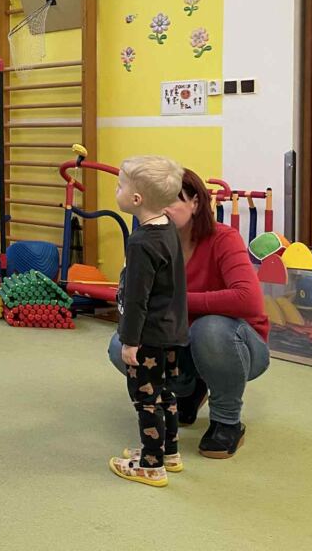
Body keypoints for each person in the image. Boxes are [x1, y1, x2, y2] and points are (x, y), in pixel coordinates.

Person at [109, 168, 268, 459]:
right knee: (121, 344)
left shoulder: (224, 238)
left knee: (210, 328)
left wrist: (173, 301)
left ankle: (227, 421)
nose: (162, 207)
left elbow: (249, 300)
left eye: (172, 199)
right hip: (179, 343)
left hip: (237, 346)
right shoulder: (147, 242)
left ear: (195, 203)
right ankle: (186, 392)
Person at [108, 155, 188, 488]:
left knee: (145, 398)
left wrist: (130, 342)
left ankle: (151, 466)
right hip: (170, 331)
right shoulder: (167, 227)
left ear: (137, 199)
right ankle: (169, 452)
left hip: (148, 336)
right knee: (164, 393)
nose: (117, 190)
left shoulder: (141, 243)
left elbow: (137, 298)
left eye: (120, 186)